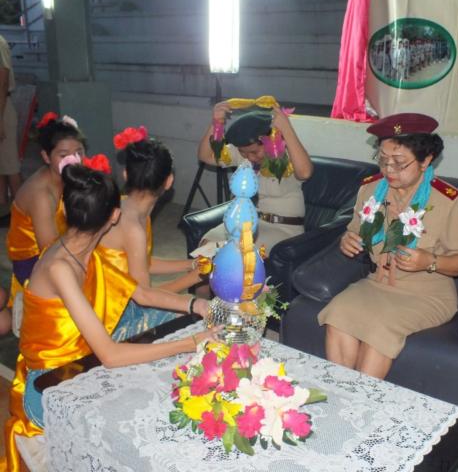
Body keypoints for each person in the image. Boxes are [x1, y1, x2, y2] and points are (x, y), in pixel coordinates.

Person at [2, 161, 218, 471]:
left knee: (162, 323)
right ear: (114, 216)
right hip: (50, 382)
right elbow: (110, 355)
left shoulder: (82, 247)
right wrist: (192, 342)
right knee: (149, 397)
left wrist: (195, 305)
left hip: (83, 356)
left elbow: (142, 294)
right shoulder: (60, 266)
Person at [318, 113, 458, 380]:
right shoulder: (371, 190)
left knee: (379, 330)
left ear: (426, 160)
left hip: (426, 294)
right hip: (377, 283)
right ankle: (339, 392)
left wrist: (429, 261)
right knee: (337, 314)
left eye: (399, 162)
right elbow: (354, 230)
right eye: (383, 160)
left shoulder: (447, 201)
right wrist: (347, 240)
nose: (389, 170)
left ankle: (361, 400)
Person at [195, 100, 313, 257]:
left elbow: (305, 173)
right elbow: (205, 155)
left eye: (254, 152)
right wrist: (217, 122)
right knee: (208, 243)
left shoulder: (285, 157)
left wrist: (286, 128)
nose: (249, 157)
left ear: (268, 141)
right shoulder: (242, 155)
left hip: (283, 229)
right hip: (246, 224)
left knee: (236, 250)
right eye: (243, 152)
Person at [3, 112, 84, 334]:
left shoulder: (67, 177)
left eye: (79, 152)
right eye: (63, 154)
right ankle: (29, 305)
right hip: (34, 260)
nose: (73, 159)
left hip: (60, 246)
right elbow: (49, 251)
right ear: (46, 157)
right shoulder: (41, 194)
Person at [100, 126, 203, 293]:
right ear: (169, 182)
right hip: (109, 304)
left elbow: (141, 262)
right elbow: (145, 298)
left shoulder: (127, 205)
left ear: (126, 174)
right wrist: (197, 277)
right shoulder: (133, 228)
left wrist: (191, 264)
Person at [0, 34, 22, 212]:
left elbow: (3, 82)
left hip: (2, 107)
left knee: (10, 164)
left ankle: (23, 213)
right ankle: (3, 207)